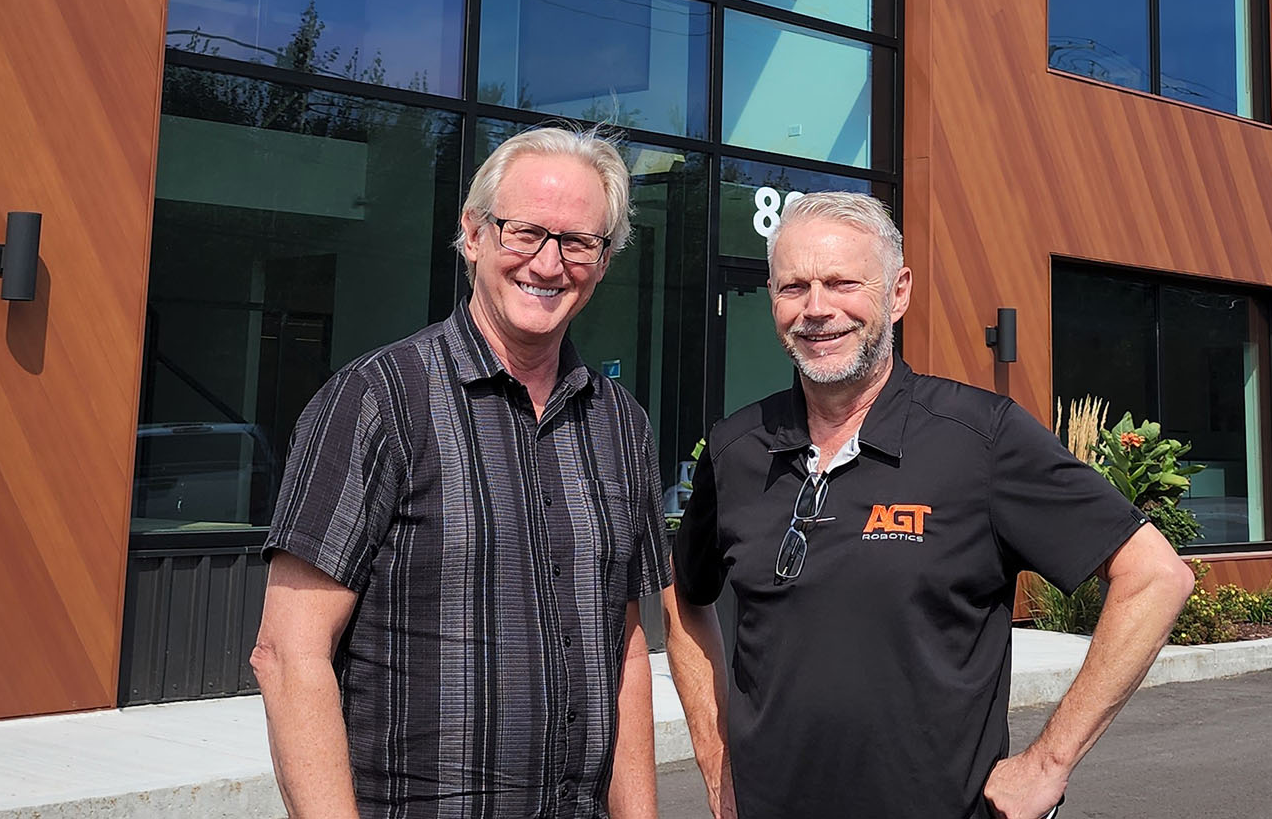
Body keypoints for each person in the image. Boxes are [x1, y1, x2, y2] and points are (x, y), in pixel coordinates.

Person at [663, 192, 1192, 819]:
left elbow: (1155, 577)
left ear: (898, 293)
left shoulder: (982, 439)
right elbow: (682, 594)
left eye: (842, 283)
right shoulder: (736, 449)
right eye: (793, 287)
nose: (816, 309)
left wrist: (1049, 762)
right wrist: (715, 755)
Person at [253, 125, 669, 819]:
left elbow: (623, 652)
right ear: (472, 233)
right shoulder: (378, 400)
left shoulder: (621, 424)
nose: (548, 261)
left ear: (603, 260)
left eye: (577, 241)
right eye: (525, 231)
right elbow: (288, 656)